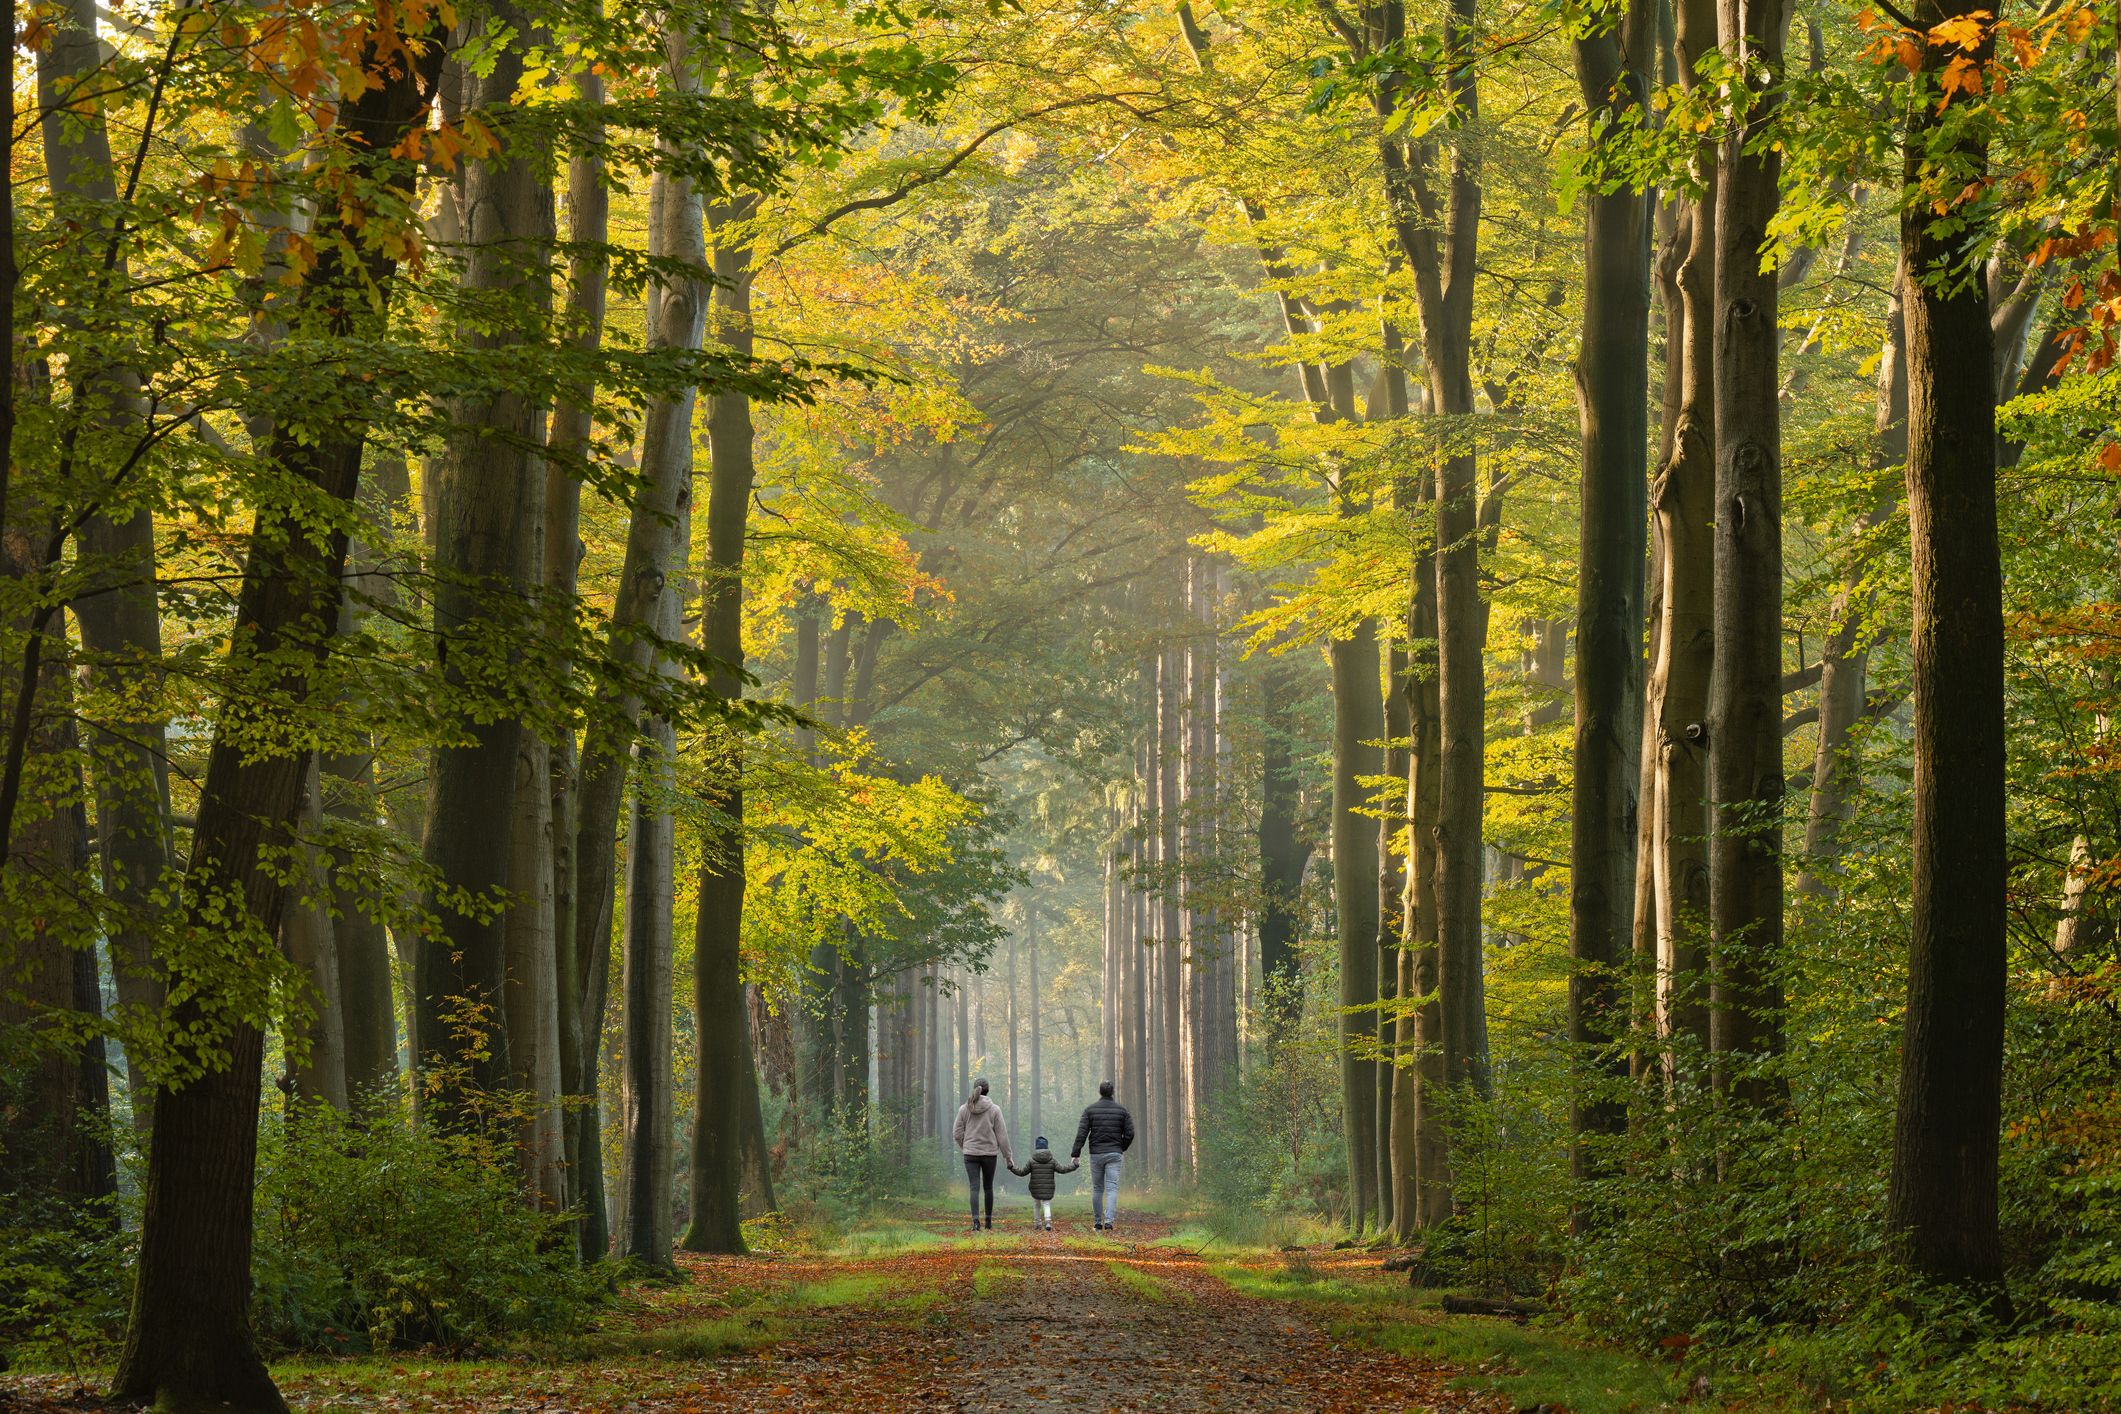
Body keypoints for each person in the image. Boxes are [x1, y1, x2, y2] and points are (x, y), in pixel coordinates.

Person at [1071, 1079, 1134, 1233]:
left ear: (1099, 1092)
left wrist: (1076, 1153)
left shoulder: (1089, 1110)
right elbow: (1130, 1133)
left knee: (1098, 1189)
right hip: (1114, 1153)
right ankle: (1109, 1223)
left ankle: (1098, 1223)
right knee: (1112, 1189)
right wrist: (1121, 1147)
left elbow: (1082, 1133)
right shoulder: (1123, 1110)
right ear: (1113, 1092)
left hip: (1096, 1154)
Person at [952, 1078, 1014, 1230]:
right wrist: (1008, 1157)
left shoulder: (964, 1109)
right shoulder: (995, 1110)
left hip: (970, 1154)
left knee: (974, 1187)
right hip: (989, 1154)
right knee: (988, 1187)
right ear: (987, 1091)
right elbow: (1002, 1135)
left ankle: (975, 1223)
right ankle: (988, 1222)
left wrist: (965, 1146)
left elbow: (956, 1133)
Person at [1008, 1136, 1079, 1232]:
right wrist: (1074, 1165)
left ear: (1036, 1147)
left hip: (1035, 1188)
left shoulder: (1032, 1161)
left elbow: (1022, 1172)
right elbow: (1062, 1169)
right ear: (1047, 1147)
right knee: (1046, 1204)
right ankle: (1048, 1221)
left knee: (1037, 1206)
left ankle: (1037, 1224)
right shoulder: (1052, 1160)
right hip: (1048, 1188)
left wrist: (1012, 1167)